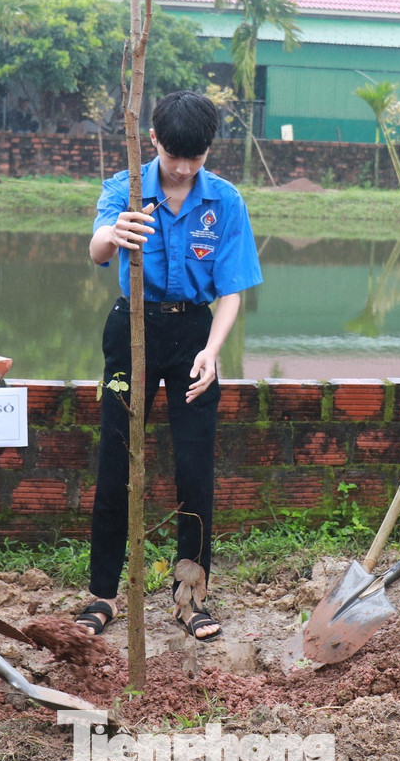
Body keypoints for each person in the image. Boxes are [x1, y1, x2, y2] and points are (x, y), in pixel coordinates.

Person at [76, 90, 262, 641]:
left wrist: (213, 349)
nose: (182, 169)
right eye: (174, 155)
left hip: (193, 335)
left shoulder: (225, 201)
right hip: (130, 327)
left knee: (194, 465)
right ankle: (103, 594)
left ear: (208, 150)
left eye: (196, 157)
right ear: (152, 140)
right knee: (115, 457)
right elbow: (97, 250)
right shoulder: (127, 188)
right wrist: (114, 232)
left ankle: (190, 596)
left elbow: (231, 291)